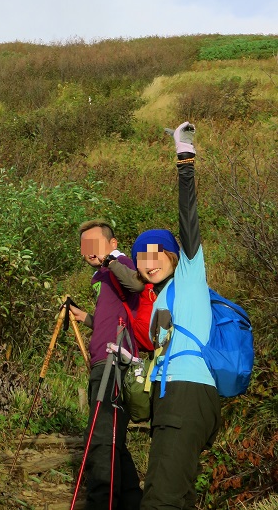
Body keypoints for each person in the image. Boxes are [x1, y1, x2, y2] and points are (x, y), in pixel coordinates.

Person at [130, 122, 221, 510]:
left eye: (157, 253)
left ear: (172, 255)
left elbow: (189, 222)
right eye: (142, 256)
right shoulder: (162, 297)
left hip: (187, 393)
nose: (149, 262)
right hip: (173, 398)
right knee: (174, 497)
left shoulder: (188, 275)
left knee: (160, 501)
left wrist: (185, 161)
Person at [70, 220, 143, 510]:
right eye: (85, 246)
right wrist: (82, 317)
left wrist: (111, 260)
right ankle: (132, 502)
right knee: (113, 441)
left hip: (113, 365)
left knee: (100, 441)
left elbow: (137, 282)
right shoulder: (107, 276)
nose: (89, 251)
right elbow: (111, 320)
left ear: (112, 244)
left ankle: (100, 503)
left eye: (95, 244)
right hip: (108, 362)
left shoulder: (120, 264)